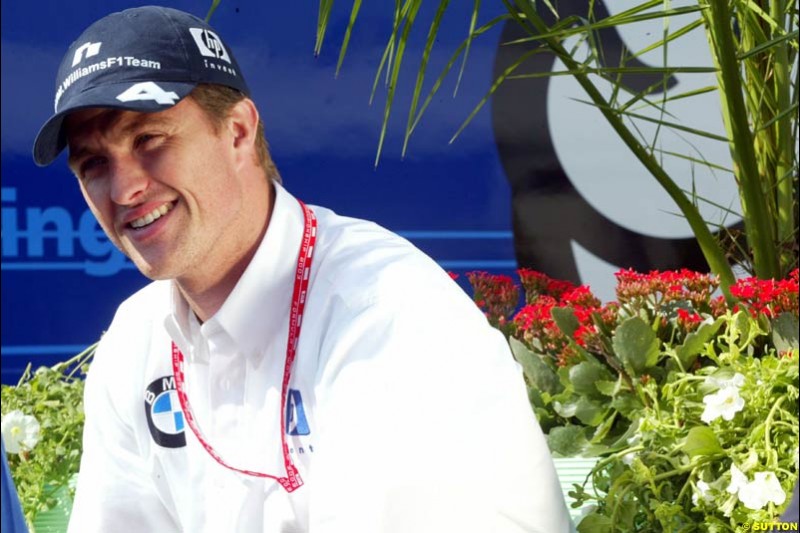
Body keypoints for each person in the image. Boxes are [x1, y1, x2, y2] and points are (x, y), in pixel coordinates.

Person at [33, 6, 573, 532]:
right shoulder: (137, 338)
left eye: (149, 140)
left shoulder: (385, 312)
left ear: (239, 132)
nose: (123, 188)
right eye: (93, 164)